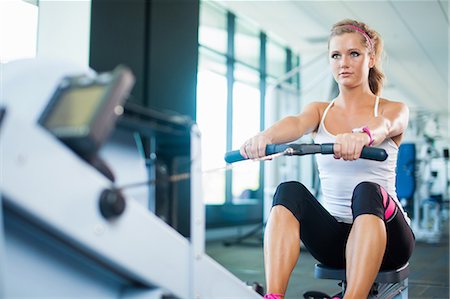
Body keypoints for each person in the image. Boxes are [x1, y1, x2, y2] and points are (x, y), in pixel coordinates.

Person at [240, 19, 415, 299]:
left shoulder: (393, 108)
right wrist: (265, 137)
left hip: (389, 242)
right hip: (336, 242)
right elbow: (295, 123)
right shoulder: (320, 111)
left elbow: (386, 125)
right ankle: (274, 296)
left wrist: (364, 136)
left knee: (367, 191)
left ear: (370, 59)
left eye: (353, 54)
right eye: (336, 55)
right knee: (288, 191)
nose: (343, 62)